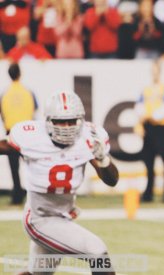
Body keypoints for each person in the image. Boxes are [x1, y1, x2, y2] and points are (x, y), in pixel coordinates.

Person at [0, 91, 118, 275]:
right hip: (39, 219)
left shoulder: (88, 140)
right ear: (48, 121)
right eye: (60, 121)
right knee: (98, 253)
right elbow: (4, 145)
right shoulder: (32, 137)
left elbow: (112, 181)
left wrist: (103, 159)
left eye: (72, 121)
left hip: (61, 217)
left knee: (37, 274)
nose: (66, 127)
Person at [134, 61, 164, 202]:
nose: (155, 73)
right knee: (148, 161)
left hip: (162, 128)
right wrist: (141, 122)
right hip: (149, 127)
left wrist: (151, 116)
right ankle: (148, 192)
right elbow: (139, 107)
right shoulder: (146, 89)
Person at [0, 63, 38, 205]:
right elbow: (35, 108)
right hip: (27, 132)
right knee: (32, 165)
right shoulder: (28, 92)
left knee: (14, 166)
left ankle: (17, 195)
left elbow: (2, 113)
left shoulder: (5, 93)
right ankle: (35, 194)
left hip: (11, 133)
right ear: (20, 74)